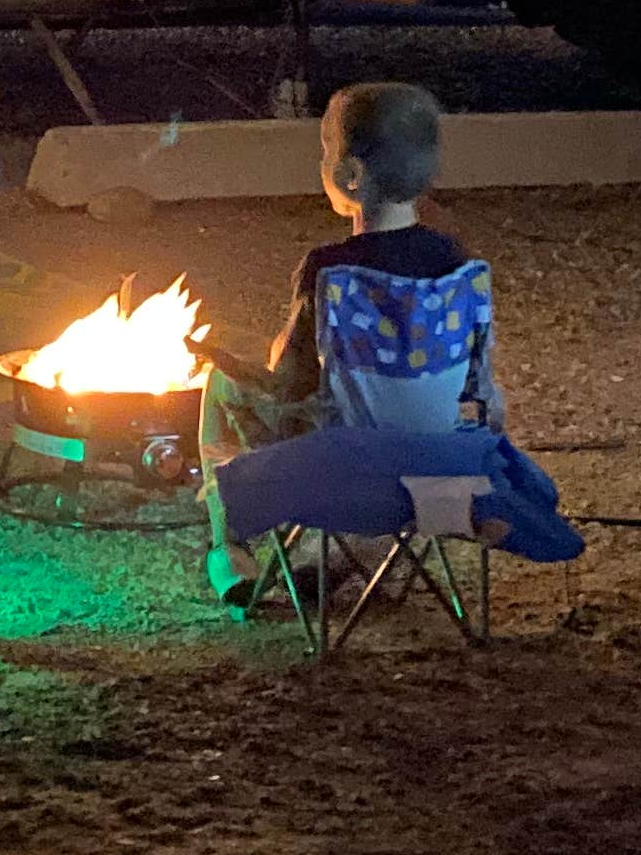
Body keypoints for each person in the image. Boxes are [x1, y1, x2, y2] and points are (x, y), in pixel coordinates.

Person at [194, 80, 505, 601]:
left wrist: (237, 364)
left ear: (349, 176)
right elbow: (477, 381)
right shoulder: (459, 266)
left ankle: (231, 548)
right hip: (440, 463)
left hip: (345, 473)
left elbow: (290, 385)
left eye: (325, 152)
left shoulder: (330, 271)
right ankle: (356, 558)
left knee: (218, 385)